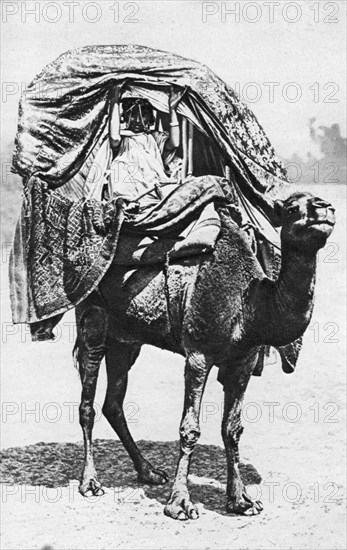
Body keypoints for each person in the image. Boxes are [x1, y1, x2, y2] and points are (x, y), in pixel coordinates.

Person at [106, 85, 184, 210]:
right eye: (132, 115)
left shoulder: (154, 137)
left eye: (143, 115)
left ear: (150, 118)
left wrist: (172, 109)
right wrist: (115, 101)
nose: (137, 120)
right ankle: (126, 204)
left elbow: (174, 143)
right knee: (119, 165)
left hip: (153, 187)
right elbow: (114, 137)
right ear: (125, 116)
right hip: (129, 188)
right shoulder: (122, 137)